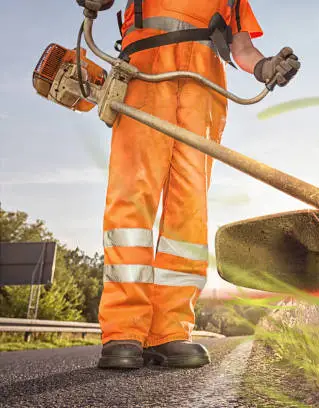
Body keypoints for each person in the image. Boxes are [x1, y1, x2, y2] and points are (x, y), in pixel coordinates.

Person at [95, 0, 300, 369]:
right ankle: (124, 329)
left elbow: (242, 49)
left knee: (187, 213)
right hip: (144, 74)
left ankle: (170, 331)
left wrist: (266, 67)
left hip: (202, 90)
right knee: (132, 200)